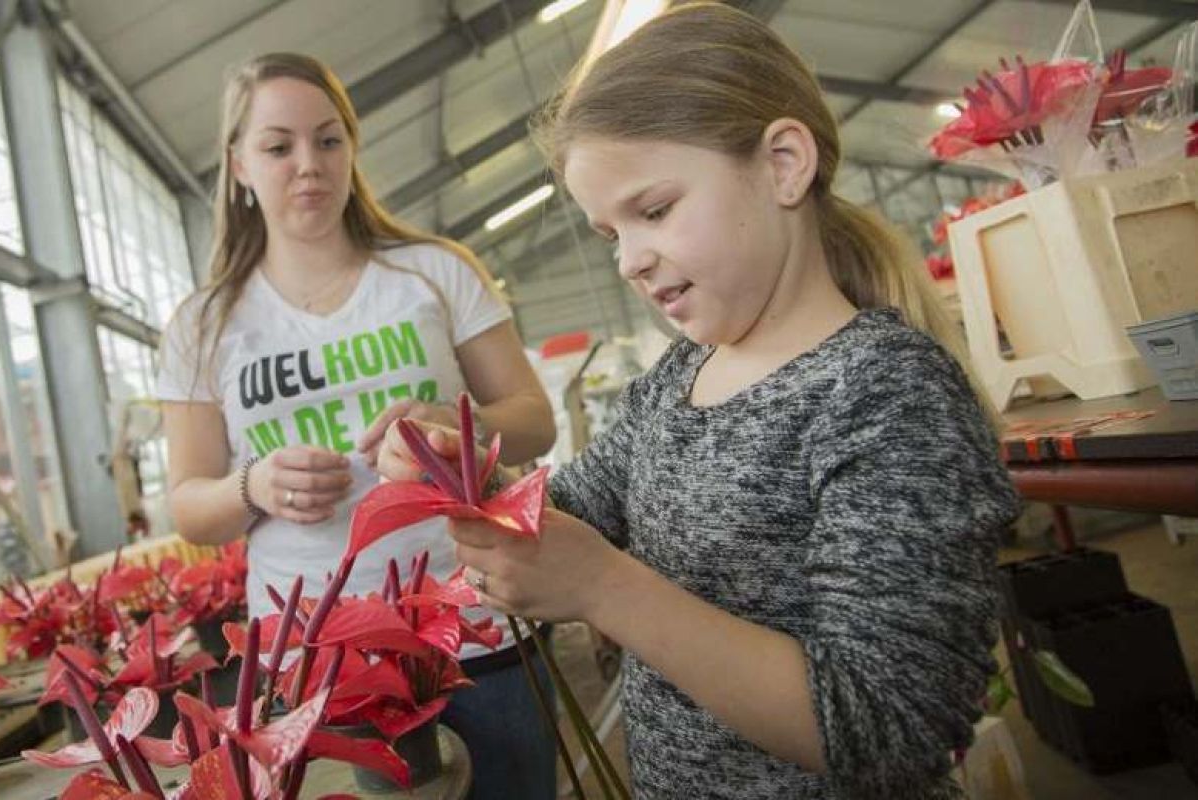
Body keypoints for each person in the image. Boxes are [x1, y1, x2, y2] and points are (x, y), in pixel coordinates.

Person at [375, 4, 1021, 798]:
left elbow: (892, 728)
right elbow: (563, 516)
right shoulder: (674, 384)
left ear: (784, 163)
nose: (629, 262)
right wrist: (466, 473)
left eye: (652, 211)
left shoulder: (885, 391)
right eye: (611, 234)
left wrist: (605, 588)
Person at [155, 53, 559, 799]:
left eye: (328, 140)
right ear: (239, 164)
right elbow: (188, 503)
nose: (307, 164)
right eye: (278, 146)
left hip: (475, 629)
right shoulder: (204, 325)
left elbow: (533, 422)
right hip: (317, 656)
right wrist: (254, 484)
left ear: (351, 148)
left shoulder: (433, 273)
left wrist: (451, 421)